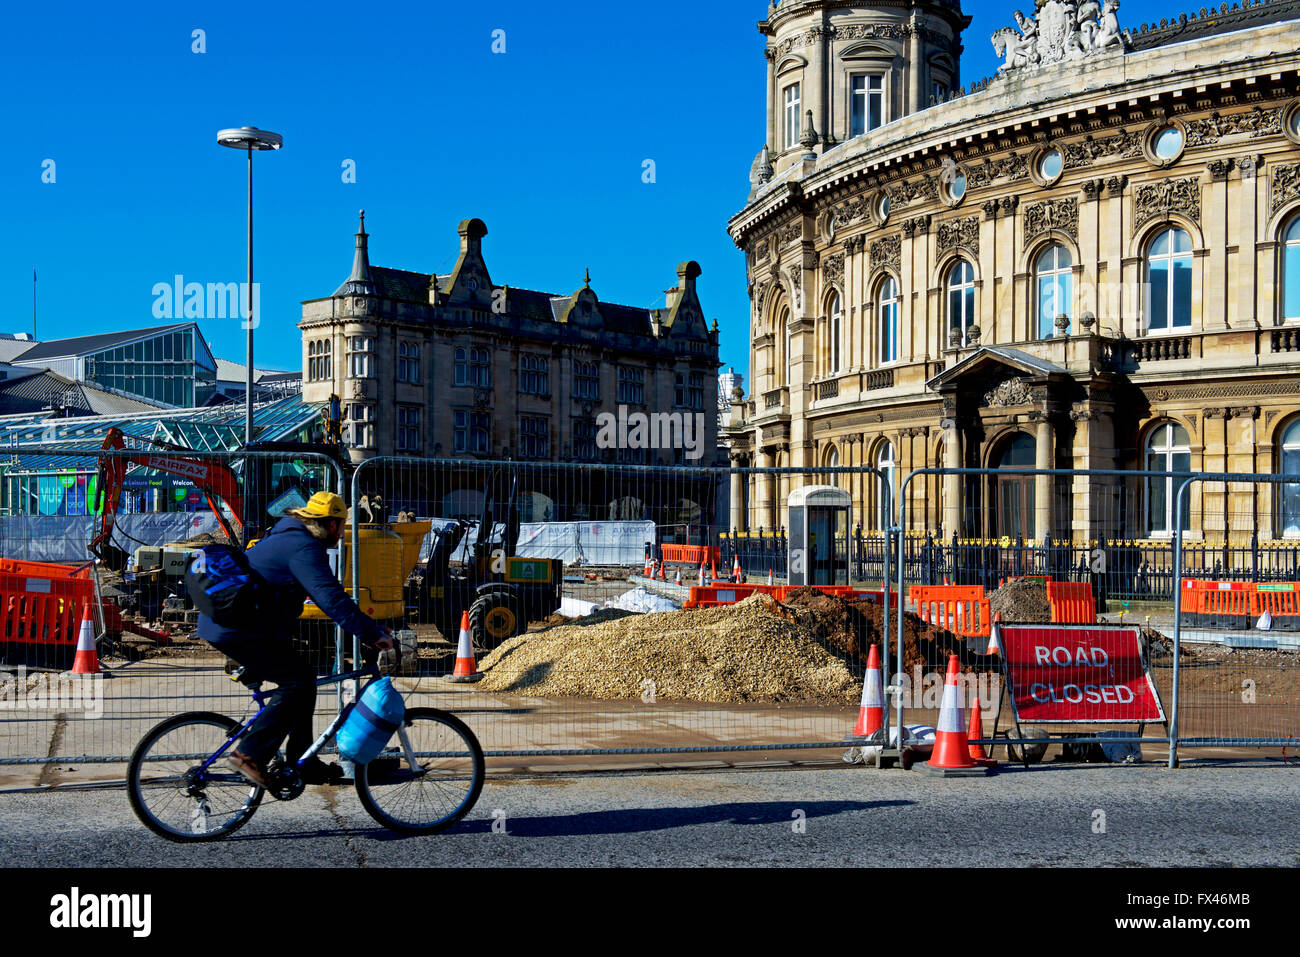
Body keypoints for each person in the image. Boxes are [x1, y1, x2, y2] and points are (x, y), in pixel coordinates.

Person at [197, 491, 393, 788]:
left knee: (304, 680)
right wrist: (372, 632)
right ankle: (248, 755)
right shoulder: (304, 548)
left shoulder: (287, 535)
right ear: (331, 525)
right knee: (296, 682)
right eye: (341, 526)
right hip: (237, 629)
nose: (341, 534)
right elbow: (331, 598)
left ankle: (303, 762)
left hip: (238, 625)